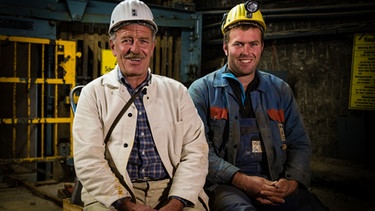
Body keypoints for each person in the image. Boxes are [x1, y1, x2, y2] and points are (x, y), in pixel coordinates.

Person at [188, 1, 328, 211]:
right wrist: (243, 181)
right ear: (225, 47)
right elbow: (198, 151)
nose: (247, 51)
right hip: (225, 185)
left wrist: (291, 183)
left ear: (262, 47)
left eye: (253, 44)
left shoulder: (280, 90)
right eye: (238, 44)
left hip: (274, 181)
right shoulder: (202, 91)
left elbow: (299, 142)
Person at [72, 0, 209, 210]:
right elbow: (88, 160)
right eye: (127, 40)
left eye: (143, 41)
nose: (135, 49)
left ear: (152, 47)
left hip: (172, 187)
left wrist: (177, 200)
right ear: (113, 46)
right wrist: (126, 204)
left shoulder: (177, 92)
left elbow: (195, 151)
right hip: (112, 191)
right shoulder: (93, 93)